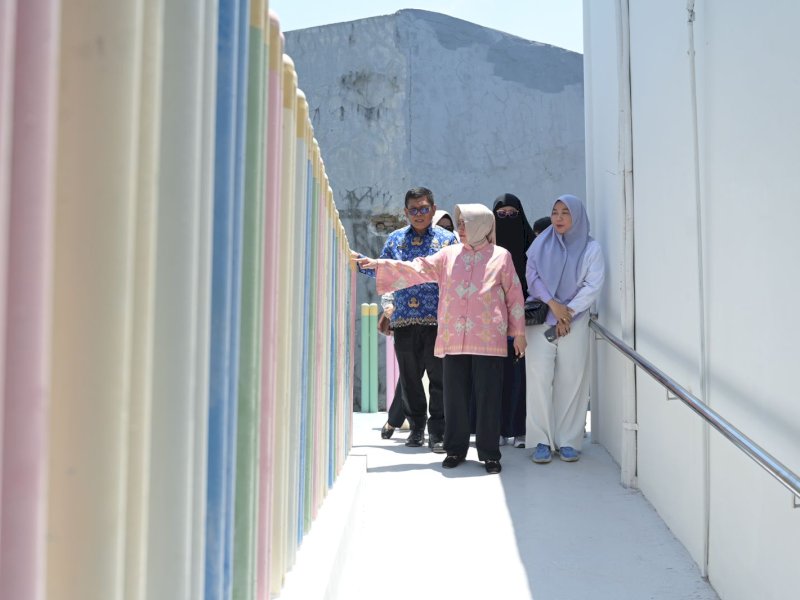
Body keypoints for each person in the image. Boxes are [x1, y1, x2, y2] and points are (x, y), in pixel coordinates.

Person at [353, 204, 526, 474]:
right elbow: (415, 269)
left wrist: (518, 334)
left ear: (482, 225)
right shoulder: (447, 255)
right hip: (454, 336)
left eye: (466, 223)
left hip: (488, 338)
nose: (461, 228)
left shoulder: (501, 256)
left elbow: (514, 296)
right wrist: (376, 265)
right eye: (460, 223)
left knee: (488, 396)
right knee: (454, 396)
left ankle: (490, 453)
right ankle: (455, 449)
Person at [358, 187, 458, 451]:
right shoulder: (395, 240)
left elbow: (458, 277)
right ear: (405, 212)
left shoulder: (449, 241)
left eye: (424, 209)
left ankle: (438, 432)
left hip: (437, 322)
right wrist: (365, 264)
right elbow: (384, 272)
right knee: (410, 378)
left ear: (433, 209)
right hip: (403, 320)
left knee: (439, 380)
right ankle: (416, 429)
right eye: (413, 210)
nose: (419, 214)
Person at [524, 195, 605, 463]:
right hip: (541, 318)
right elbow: (532, 276)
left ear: (577, 217)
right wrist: (553, 305)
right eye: (555, 211)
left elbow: (593, 285)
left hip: (575, 321)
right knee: (538, 379)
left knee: (572, 379)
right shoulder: (541, 242)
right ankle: (540, 441)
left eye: (565, 212)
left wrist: (566, 313)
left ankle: (568, 440)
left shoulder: (591, 249)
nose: (558, 218)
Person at [492, 194, 534, 449]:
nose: (507, 219)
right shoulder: (486, 250)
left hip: (525, 322)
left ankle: (520, 429)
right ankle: (494, 428)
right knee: (494, 377)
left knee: (521, 378)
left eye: (513, 214)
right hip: (491, 322)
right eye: (501, 215)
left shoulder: (533, 247)